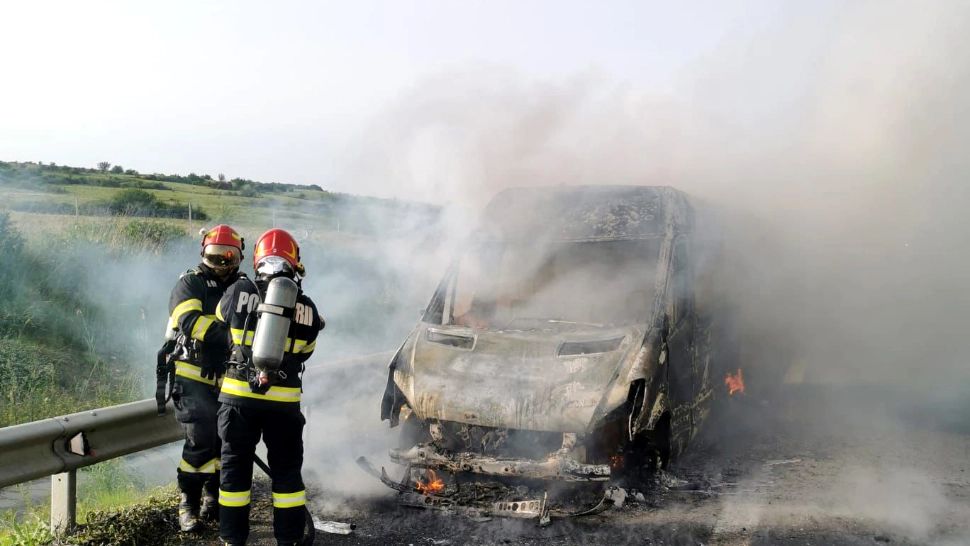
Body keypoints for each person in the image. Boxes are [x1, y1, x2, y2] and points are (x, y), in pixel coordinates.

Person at [215, 228, 324, 546]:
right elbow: (306, 352)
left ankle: (232, 539)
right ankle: (288, 541)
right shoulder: (307, 308)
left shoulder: (239, 290)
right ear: (295, 263)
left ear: (258, 260)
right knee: (287, 474)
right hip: (284, 405)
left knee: (235, 470)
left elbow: (221, 318)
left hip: (238, 400)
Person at [165, 224, 246, 531]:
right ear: (203, 254)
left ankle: (214, 498)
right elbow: (188, 321)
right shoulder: (189, 283)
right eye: (215, 257)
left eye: (228, 258)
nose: (222, 265)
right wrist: (228, 339)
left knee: (226, 442)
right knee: (200, 441)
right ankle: (188, 505)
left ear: (238, 258)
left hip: (229, 375)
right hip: (192, 373)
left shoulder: (243, 287)